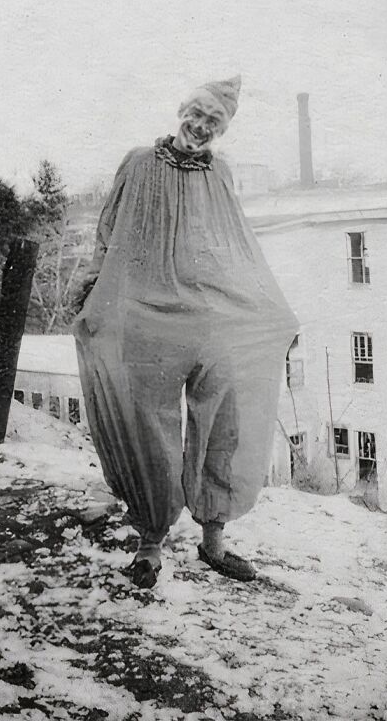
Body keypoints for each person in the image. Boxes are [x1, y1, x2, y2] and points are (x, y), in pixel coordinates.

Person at [74, 76, 298, 588]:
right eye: (196, 115)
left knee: (227, 418)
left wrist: (270, 309)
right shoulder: (138, 163)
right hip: (148, 313)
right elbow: (107, 234)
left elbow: (238, 248)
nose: (200, 127)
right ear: (181, 111)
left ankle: (213, 540)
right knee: (148, 426)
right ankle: (150, 543)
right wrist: (90, 290)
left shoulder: (220, 174)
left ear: (221, 131)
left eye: (213, 123)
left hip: (210, 314)